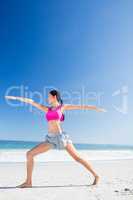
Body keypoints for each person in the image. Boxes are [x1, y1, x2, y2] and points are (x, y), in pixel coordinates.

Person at [5, 89, 106, 188]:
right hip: (50, 139)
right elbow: (32, 102)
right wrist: (15, 97)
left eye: (48, 96)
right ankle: (28, 182)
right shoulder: (47, 109)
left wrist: (95, 108)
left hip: (61, 137)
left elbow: (81, 106)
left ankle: (96, 175)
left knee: (77, 158)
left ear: (54, 97)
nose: (47, 98)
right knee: (29, 154)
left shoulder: (62, 107)